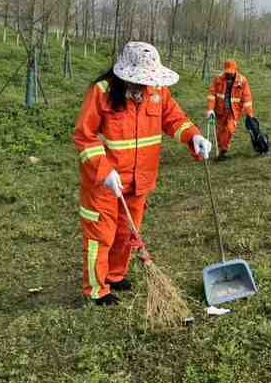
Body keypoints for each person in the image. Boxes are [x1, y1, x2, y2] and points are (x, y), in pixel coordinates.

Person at [73, 42, 212, 306]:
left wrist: (194, 137)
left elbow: (175, 119)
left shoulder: (158, 92)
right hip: (105, 183)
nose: (142, 87)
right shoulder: (101, 92)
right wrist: (103, 171)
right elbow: (84, 136)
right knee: (101, 235)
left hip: (139, 180)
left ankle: (115, 275)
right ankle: (95, 290)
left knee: (127, 233)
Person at [206, 60, 254, 159]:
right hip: (219, 110)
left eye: (231, 72)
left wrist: (250, 114)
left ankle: (223, 150)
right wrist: (210, 109)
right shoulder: (218, 79)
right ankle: (221, 149)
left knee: (229, 129)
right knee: (220, 131)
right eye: (227, 72)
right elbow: (211, 95)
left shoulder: (242, 81)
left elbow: (247, 98)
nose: (229, 74)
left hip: (234, 111)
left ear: (235, 70)